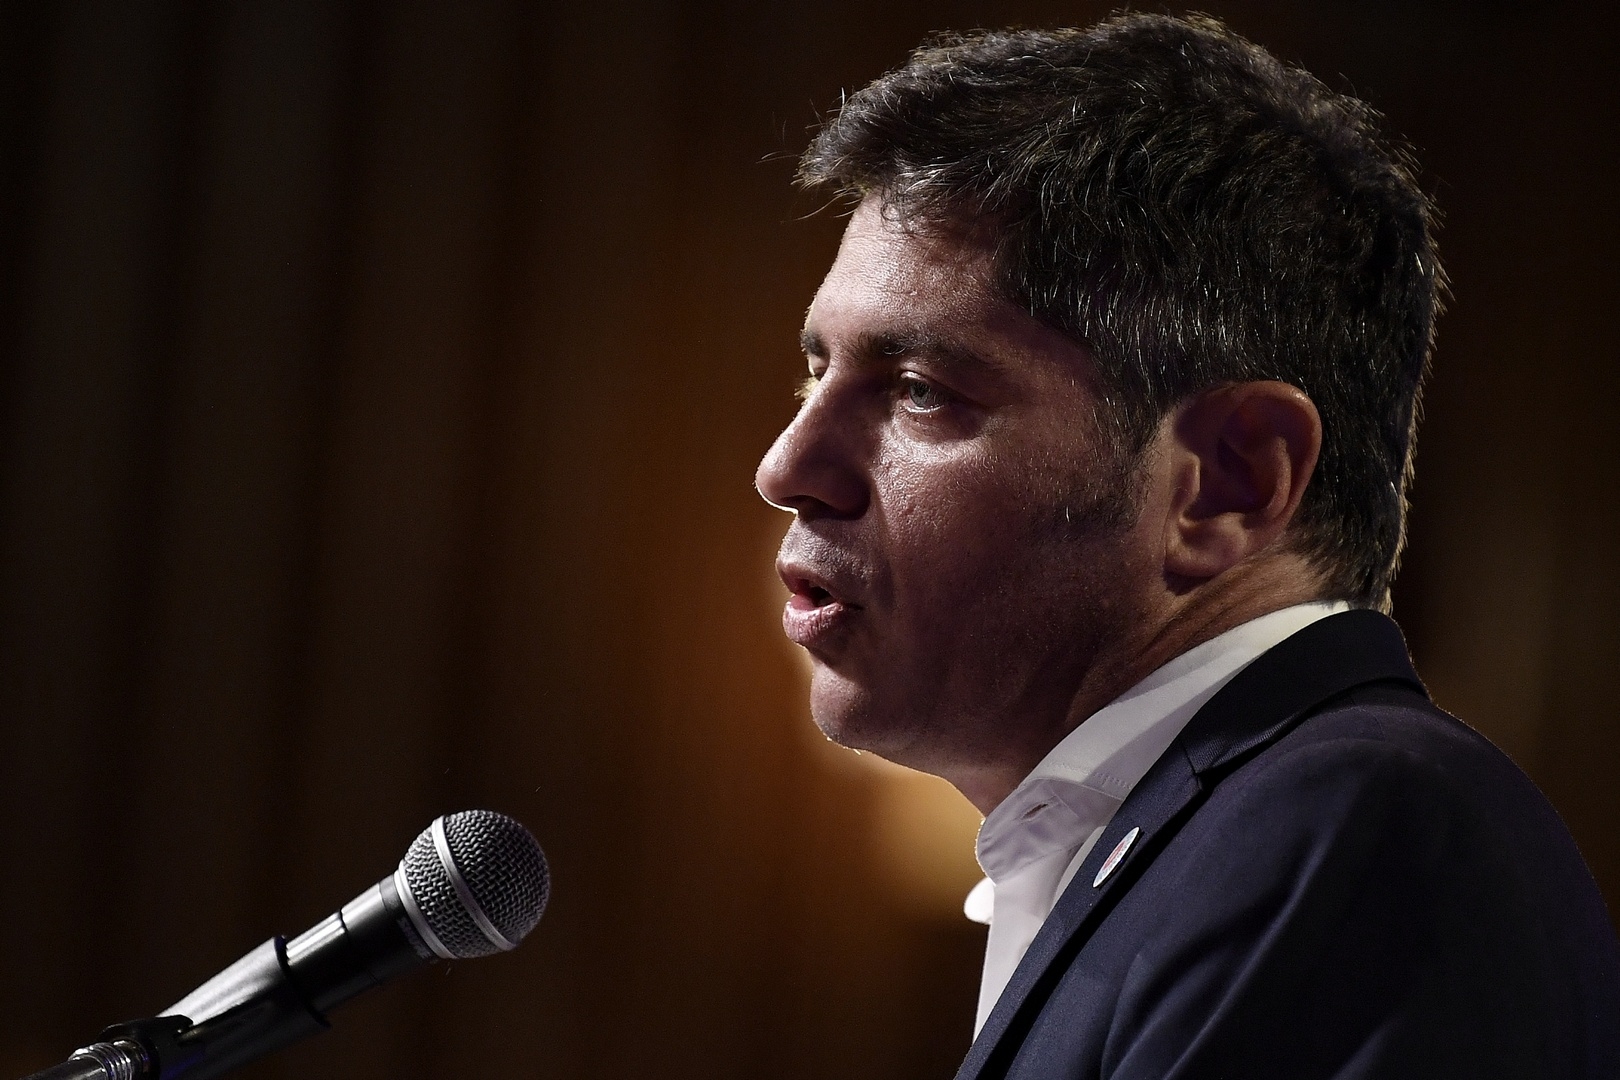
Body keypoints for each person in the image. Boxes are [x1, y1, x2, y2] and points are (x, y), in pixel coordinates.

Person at [754, 13, 1620, 1079]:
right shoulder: (1169, 854)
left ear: (1229, 481)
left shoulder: (1357, 836)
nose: (787, 466)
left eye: (922, 391)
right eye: (815, 373)